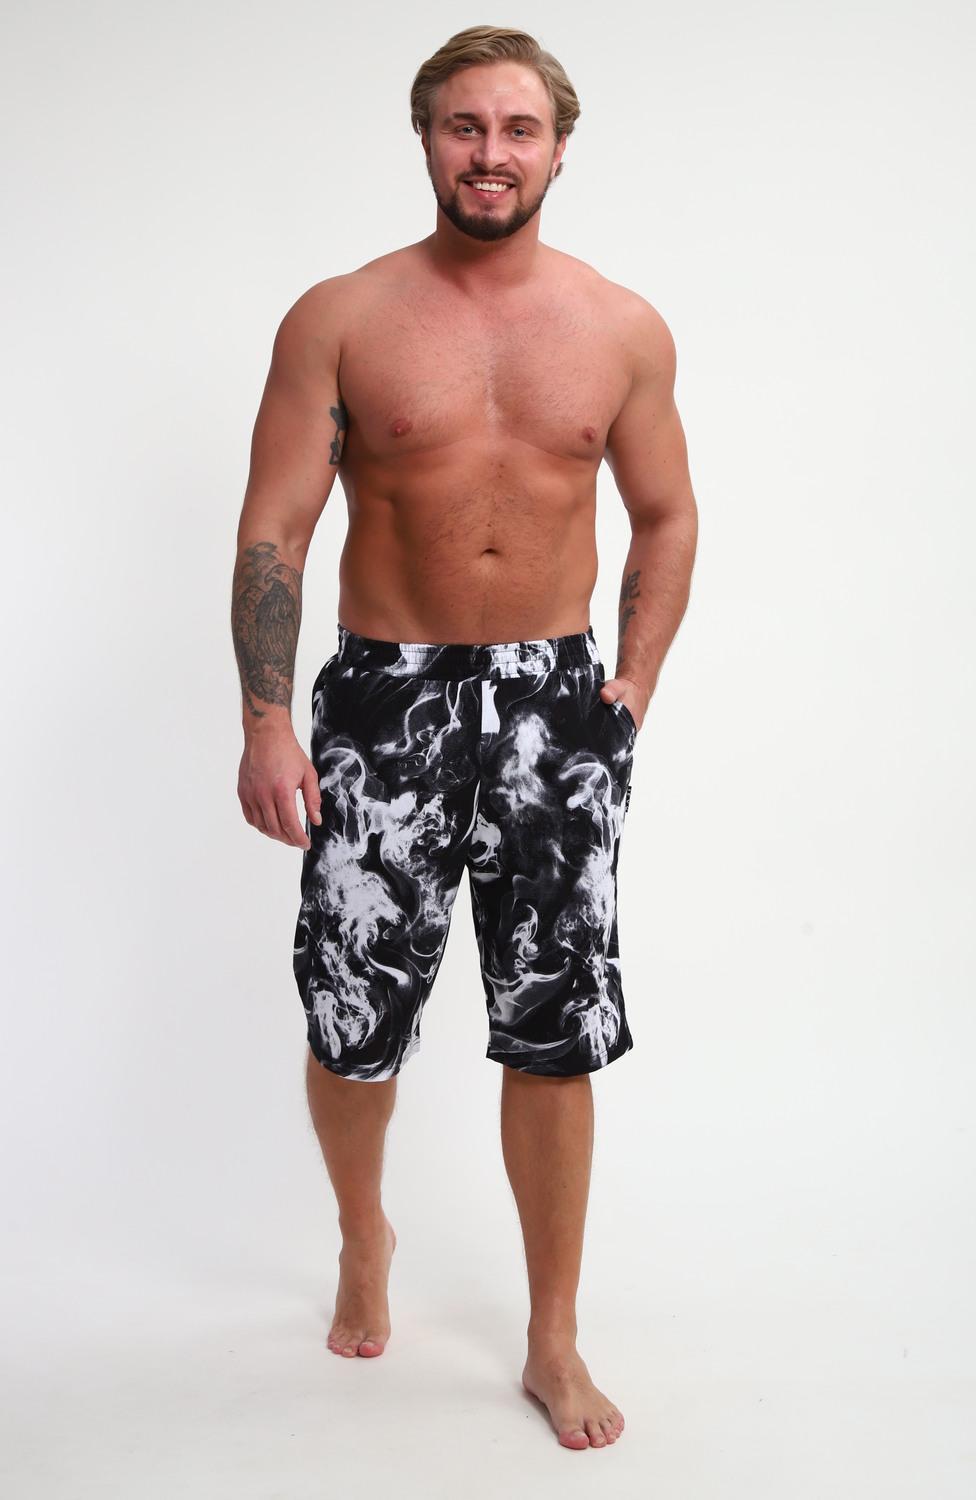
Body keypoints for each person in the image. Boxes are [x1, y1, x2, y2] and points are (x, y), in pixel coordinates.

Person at [230, 24, 698, 1452]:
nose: (489, 153)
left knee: (557, 1021)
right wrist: (267, 718)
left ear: (558, 147)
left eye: (516, 129)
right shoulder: (342, 317)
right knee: (353, 1010)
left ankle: (552, 1336)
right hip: (387, 696)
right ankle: (362, 1235)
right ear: (427, 139)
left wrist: (630, 688)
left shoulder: (622, 327)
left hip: (556, 702)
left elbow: (667, 514)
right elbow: (277, 527)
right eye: (463, 127)